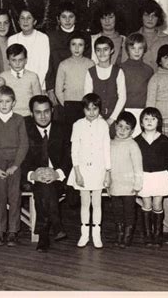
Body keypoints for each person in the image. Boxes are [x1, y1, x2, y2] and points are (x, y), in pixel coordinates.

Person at [21, 95, 72, 252]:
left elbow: (70, 156)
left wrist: (57, 174)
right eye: (38, 112)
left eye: (46, 112)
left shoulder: (63, 128)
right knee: (44, 187)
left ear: (53, 111)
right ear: (31, 113)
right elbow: (19, 156)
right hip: (33, 178)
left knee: (46, 188)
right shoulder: (24, 129)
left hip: (59, 177)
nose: (43, 116)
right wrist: (33, 174)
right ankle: (56, 225)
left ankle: (44, 235)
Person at [0, 85, 29, 247]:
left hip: (14, 164)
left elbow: (24, 144)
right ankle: (0, 230)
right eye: (0, 101)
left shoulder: (19, 120)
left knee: (15, 198)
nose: (4, 105)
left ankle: (13, 231)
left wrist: (16, 165)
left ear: (14, 103)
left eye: (7, 101)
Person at [67, 93, 111, 248]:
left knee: (97, 203)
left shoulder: (104, 125)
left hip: (99, 169)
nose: (91, 112)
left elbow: (107, 149)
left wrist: (107, 171)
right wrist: (77, 172)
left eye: (95, 108)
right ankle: (84, 233)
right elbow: (75, 150)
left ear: (99, 108)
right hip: (83, 170)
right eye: (88, 109)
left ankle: (96, 234)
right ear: (83, 109)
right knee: (85, 203)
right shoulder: (77, 124)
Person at [134, 107, 168, 248]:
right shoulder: (136, 140)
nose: (149, 121)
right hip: (143, 176)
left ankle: (158, 235)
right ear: (141, 123)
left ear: (159, 122)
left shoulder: (164, 139)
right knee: (146, 204)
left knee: (157, 204)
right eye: (146, 119)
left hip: (160, 176)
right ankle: (147, 234)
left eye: (153, 119)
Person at [46, 2, 91, 112]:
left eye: (71, 17)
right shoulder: (51, 37)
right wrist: (50, 90)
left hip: (78, 89)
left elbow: (87, 65)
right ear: (58, 18)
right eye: (63, 17)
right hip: (58, 89)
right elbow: (49, 64)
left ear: (76, 19)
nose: (67, 20)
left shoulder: (84, 36)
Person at [108, 112, 143, 248]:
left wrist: (137, 184)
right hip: (115, 185)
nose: (122, 130)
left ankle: (127, 237)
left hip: (129, 187)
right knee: (117, 211)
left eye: (127, 128)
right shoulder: (110, 144)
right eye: (120, 126)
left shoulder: (132, 145)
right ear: (115, 126)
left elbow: (138, 167)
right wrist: (107, 183)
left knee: (129, 212)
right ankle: (119, 234)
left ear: (132, 131)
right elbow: (108, 166)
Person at [55, 30, 95, 131]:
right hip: (69, 105)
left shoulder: (90, 64)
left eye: (80, 45)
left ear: (85, 46)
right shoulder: (63, 64)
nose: (77, 48)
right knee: (70, 134)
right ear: (69, 46)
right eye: (73, 44)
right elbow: (58, 89)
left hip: (85, 104)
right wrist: (66, 105)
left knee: (85, 132)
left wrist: (89, 105)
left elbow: (94, 86)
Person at [84, 36, 126, 131]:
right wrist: (98, 118)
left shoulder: (118, 71)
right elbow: (88, 98)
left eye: (105, 49)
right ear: (95, 52)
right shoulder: (90, 72)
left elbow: (122, 97)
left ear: (112, 51)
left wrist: (112, 119)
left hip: (116, 119)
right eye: (98, 50)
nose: (102, 53)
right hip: (95, 118)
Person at [8, 7, 50, 90]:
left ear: (34, 21)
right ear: (18, 21)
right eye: (22, 18)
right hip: (18, 86)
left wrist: (35, 87)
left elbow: (44, 66)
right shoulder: (12, 39)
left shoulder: (43, 38)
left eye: (29, 18)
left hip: (39, 86)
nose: (25, 21)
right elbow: (12, 65)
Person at [120, 33, 153, 136]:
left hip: (142, 112)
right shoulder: (120, 68)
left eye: (140, 48)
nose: (137, 51)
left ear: (144, 50)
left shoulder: (148, 70)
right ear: (127, 49)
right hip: (124, 111)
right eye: (133, 48)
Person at [0, 43, 42, 117]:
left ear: (26, 60)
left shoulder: (33, 76)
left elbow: (37, 98)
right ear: (8, 61)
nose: (17, 63)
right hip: (9, 115)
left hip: (28, 115)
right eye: (13, 60)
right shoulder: (2, 77)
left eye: (20, 60)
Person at [135, 0, 168, 72]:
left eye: (154, 15)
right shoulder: (131, 39)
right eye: (146, 15)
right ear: (141, 16)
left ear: (158, 18)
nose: (150, 18)